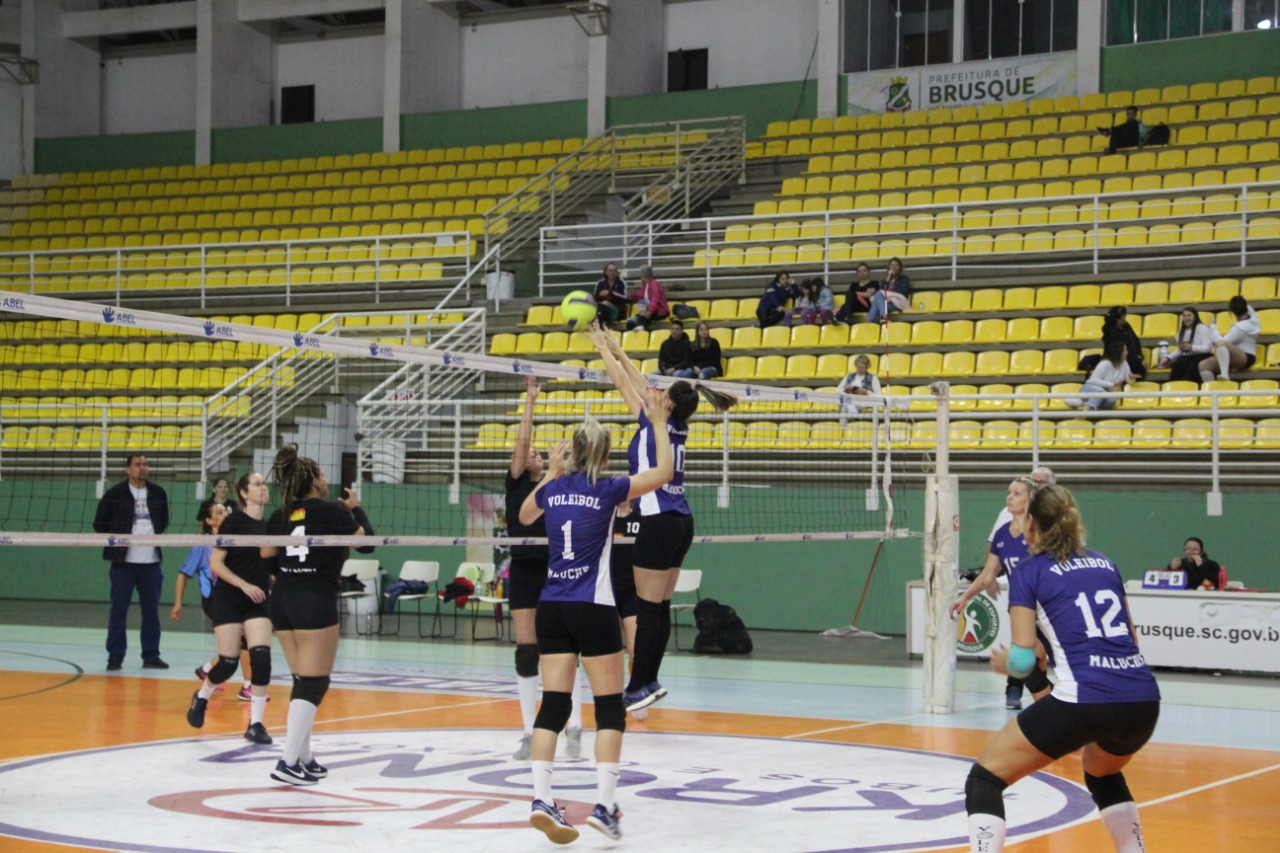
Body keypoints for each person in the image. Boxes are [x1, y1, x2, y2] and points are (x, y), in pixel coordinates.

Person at [964, 484, 1160, 853]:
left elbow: (1022, 660)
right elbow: (1131, 639)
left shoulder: (1028, 571)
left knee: (985, 779)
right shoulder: (1105, 563)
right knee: (1103, 773)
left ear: (1032, 525)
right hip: (1143, 699)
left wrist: (1010, 662)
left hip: (1084, 699)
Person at [517, 388, 676, 843]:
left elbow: (526, 515)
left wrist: (551, 472)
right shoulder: (608, 490)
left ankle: (542, 797)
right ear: (604, 456)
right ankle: (605, 808)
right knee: (609, 708)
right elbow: (664, 472)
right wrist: (659, 423)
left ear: (573, 451)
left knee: (555, 704)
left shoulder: (554, 489)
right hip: (593, 606)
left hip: (552, 608)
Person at [590, 321, 737, 713]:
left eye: (659, 394)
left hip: (657, 523)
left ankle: (640, 684)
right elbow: (640, 383)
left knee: (646, 608)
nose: (651, 394)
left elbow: (623, 383)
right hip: (680, 522)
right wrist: (618, 347)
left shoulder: (653, 421)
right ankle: (648, 682)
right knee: (658, 607)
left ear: (665, 402)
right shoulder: (675, 424)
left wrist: (601, 348)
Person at [261, 444, 376, 786]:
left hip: (281, 599)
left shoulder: (280, 514)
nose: (327, 480)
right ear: (313, 482)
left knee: (302, 681)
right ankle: (287, 761)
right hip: (315, 599)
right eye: (323, 475)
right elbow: (367, 543)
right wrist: (356, 509)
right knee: (314, 682)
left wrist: (285, 573)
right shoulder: (333, 512)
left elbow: (266, 554)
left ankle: (305, 757)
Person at [505, 376, 583, 761]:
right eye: (529, 453)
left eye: (538, 453)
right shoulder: (518, 482)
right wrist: (530, 401)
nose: (531, 455)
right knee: (526, 652)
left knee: (566, 649)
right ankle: (525, 732)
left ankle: (575, 726)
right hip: (522, 570)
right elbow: (521, 444)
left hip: (556, 570)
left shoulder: (558, 485)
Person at [187, 472, 277, 745]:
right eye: (257, 484)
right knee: (227, 663)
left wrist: (273, 579)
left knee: (261, 658)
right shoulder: (233, 522)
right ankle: (202, 696)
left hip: (258, 599)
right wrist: (244, 585)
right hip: (229, 597)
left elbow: (269, 563)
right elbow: (216, 564)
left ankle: (256, 723)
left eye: (265, 484)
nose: (264, 488)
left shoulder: (271, 525)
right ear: (243, 493)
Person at [950, 478, 1049, 711]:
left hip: (1048, 606)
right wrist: (965, 597)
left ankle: (1056, 703)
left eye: (1017, 493)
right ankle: (1040, 703)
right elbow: (987, 574)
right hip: (1021, 607)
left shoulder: (1041, 532)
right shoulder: (1003, 534)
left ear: (1030, 499)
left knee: (1040, 657)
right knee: (1030, 658)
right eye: (1009, 492)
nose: (1010, 497)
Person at [94, 453, 170, 671]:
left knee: (151, 611)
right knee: (119, 610)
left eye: (146, 464)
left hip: (151, 562)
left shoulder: (158, 493)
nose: (143, 468)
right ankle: (115, 656)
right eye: (138, 464)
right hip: (123, 563)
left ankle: (151, 655)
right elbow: (99, 524)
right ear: (128, 469)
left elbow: (163, 522)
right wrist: (118, 540)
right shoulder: (115, 494)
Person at [172, 499, 230, 695]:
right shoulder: (202, 544)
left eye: (226, 511)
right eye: (220, 512)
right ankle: (206, 679)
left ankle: (205, 670)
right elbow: (182, 574)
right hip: (213, 601)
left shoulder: (232, 539)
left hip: (230, 599)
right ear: (210, 520)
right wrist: (178, 603)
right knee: (235, 646)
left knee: (237, 646)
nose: (226, 514)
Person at [1199, 295, 1260, 383]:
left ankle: (1225, 374)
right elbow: (1248, 306)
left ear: (1232, 311)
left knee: (1221, 344)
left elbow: (1219, 342)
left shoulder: (1239, 328)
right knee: (1203, 365)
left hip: (1245, 357)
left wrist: (1213, 326)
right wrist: (1242, 299)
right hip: (1231, 357)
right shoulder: (1254, 319)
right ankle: (1212, 392)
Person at [1071, 339, 1130, 411]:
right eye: (1125, 350)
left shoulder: (1124, 363)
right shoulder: (1105, 363)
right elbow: (1092, 381)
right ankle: (1083, 415)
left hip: (1106, 393)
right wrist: (1112, 384)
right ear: (1119, 352)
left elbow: (1128, 378)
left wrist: (1132, 378)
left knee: (1112, 400)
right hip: (1090, 389)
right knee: (1101, 393)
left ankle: (1082, 403)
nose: (1127, 352)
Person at [1168, 306, 1215, 383]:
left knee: (1193, 368)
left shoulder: (1202, 328)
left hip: (1202, 355)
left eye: (1189, 315)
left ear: (1195, 316)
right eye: (1184, 316)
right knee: (1176, 367)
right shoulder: (1181, 332)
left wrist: (1192, 347)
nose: (1186, 318)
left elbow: (1208, 348)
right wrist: (1168, 357)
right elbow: (1180, 350)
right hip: (1188, 356)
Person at [1101, 305, 1146, 380]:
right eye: (1123, 316)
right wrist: (1139, 361)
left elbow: (1135, 341)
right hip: (1118, 363)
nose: (1125, 318)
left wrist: (1140, 356)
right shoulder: (1112, 334)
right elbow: (1120, 352)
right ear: (1117, 320)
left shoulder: (1126, 326)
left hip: (1130, 360)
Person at [867, 257, 911, 323]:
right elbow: (881, 291)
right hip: (885, 303)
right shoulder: (885, 280)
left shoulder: (904, 279)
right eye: (891, 265)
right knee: (879, 300)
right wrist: (887, 279)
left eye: (896, 265)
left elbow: (902, 292)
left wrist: (889, 296)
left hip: (896, 303)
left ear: (899, 268)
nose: (893, 267)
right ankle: (880, 318)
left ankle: (876, 319)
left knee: (878, 300)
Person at [625, 265, 669, 331]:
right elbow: (642, 296)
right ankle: (638, 323)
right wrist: (633, 295)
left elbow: (655, 299)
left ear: (643, 275)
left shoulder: (655, 284)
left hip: (659, 311)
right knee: (630, 324)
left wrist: (650, 311)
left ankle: (642, 325)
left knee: (643, 310)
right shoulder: (645, 285)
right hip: (648, 311)